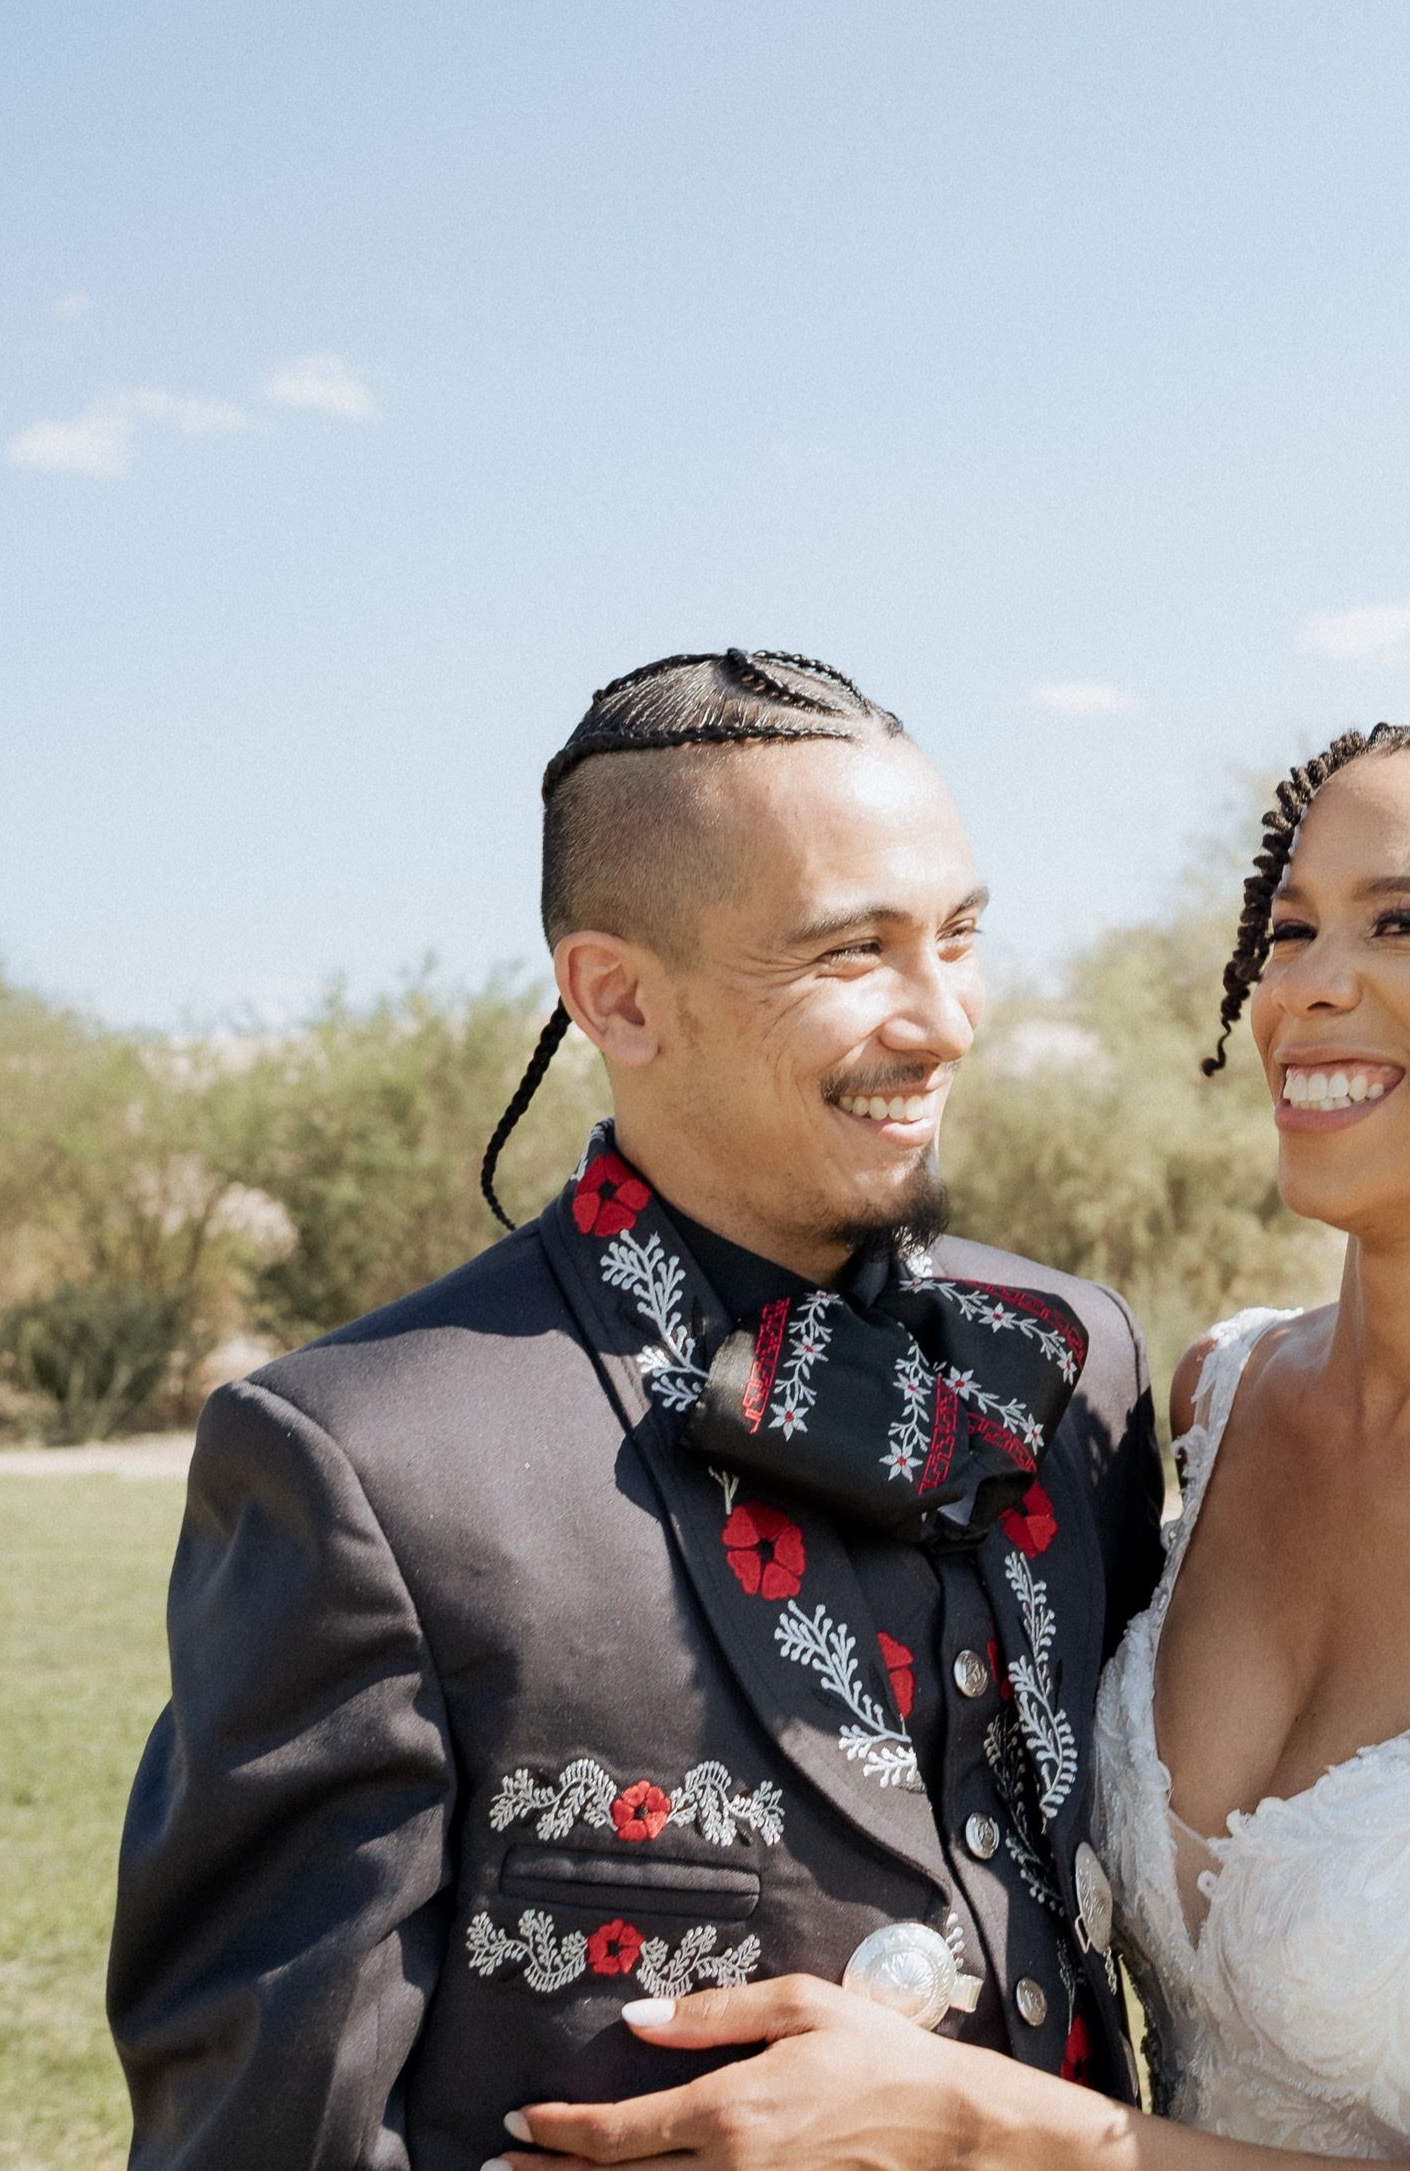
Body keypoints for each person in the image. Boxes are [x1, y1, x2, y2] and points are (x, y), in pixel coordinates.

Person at [492, 702, 1410, 2171]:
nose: (1310, 988)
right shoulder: (1216, 1401)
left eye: (1409, 923)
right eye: (1295, 928)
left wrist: (983, 2127)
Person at [107, 650, 1165, 2170]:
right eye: (850, 953)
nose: (945, 1022)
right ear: (617, 996)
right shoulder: (363, 1463)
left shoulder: (1076, 1362)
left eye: (960, 934)